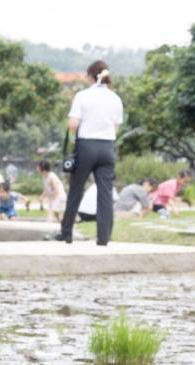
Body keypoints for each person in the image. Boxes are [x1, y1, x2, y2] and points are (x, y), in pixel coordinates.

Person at [57, 60, 123, 246]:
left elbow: (72, 125)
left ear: (90, 76)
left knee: (76, 189)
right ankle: (103, 237)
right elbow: (116, 128)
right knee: (105, 194)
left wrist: (72, 142)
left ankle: (66, 232)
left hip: (86, 146)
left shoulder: (83, 96)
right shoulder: (115, 98)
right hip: (107, 147)